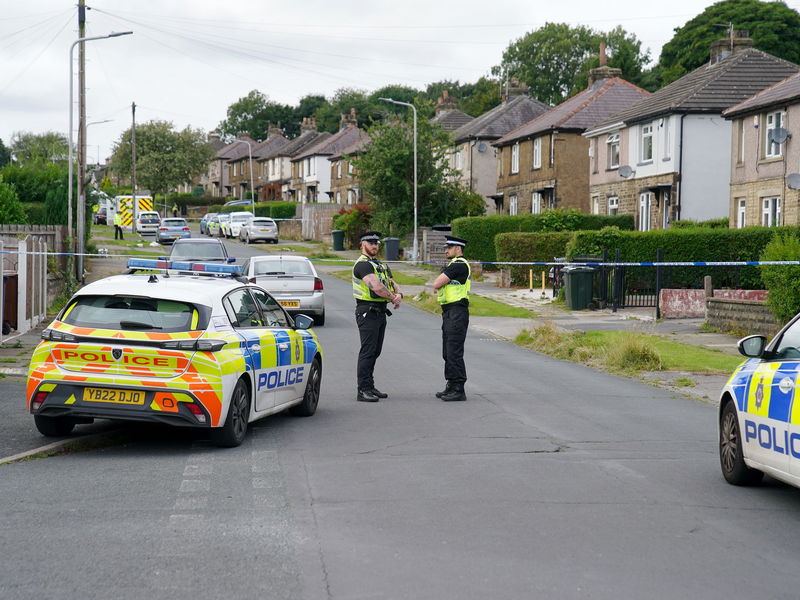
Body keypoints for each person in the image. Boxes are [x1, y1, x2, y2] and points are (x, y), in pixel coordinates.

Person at [352, 231, 403, 402]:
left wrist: (399, 294)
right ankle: (363, 389)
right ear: (363, 244)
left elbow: (391, 283)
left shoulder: (378, 264)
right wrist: (393, 297)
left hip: (380, 312)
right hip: (367, 311)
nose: (374, 246)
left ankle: (370, 385)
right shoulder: (363, 265)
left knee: (375, 351)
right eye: (371, 243)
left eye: (376, 243)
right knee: (367, 351)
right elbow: (376, 287)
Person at [432, 234, 471, 402]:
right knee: (447, 352)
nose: (446, 251)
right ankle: (451, 384)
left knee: (454, 352)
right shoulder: (454, 264)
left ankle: (458, 389)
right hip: (449, 312)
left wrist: (439, 282)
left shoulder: (458, 265)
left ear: (458, 248)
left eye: (449, 248)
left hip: (457, 312)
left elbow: (436, 283)